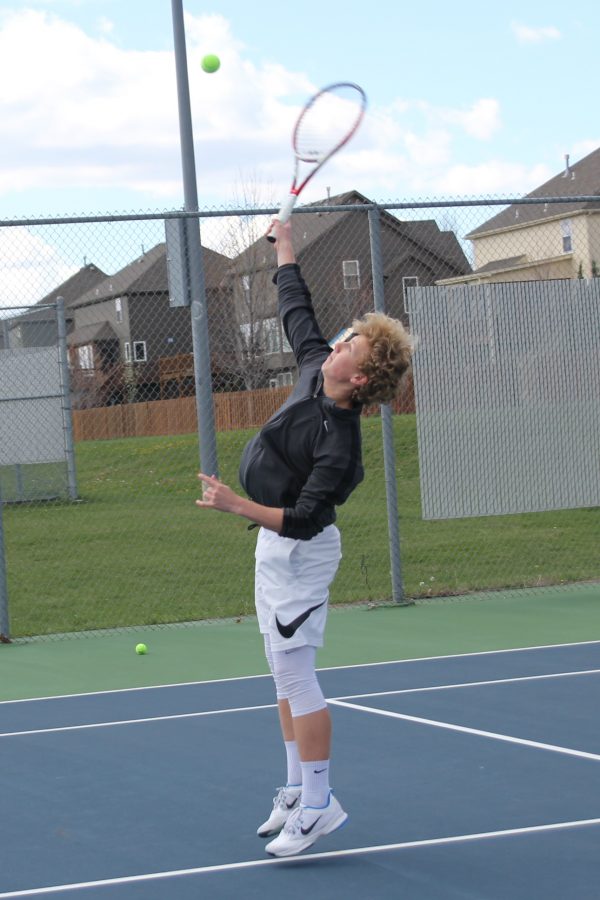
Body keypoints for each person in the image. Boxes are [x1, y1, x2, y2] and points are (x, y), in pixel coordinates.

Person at [196, 218, 414, 857]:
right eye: (349, 335)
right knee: (280, 674)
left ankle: (320, 803)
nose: (343, 341)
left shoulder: (340, 443)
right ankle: (295, 789)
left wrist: (238, 504)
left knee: (297, 679)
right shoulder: (318, 365)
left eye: (356, 345)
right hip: (275, 550)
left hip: (302, 554)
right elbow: (296, 306)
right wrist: (285, 248)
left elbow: (308, 520)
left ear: (363, 378)